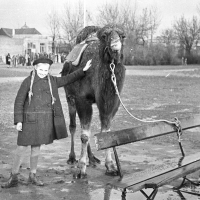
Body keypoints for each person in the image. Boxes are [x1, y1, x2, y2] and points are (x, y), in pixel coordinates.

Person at [1, 56, 92, 188]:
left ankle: (32, 175)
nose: (43, 72)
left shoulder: (52, 81)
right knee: (21, 147)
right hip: (28, 121)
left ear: (49, 70)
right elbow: (19, 101)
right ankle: (13, 177)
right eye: (41, 70)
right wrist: (19, 121)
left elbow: (67, 79)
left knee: (36, 148)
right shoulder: (28, 82)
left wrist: (83, 70)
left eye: (46, 70)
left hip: (43, 122)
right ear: (35, 68)